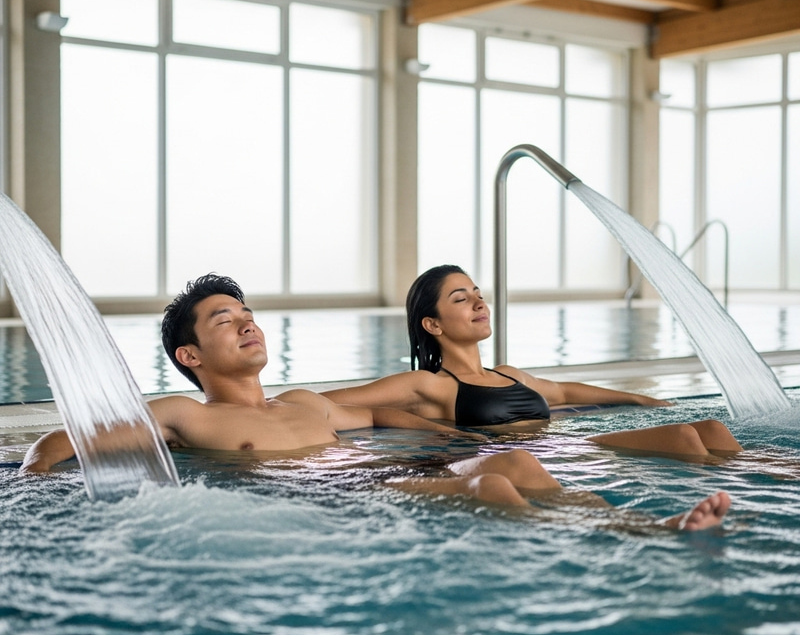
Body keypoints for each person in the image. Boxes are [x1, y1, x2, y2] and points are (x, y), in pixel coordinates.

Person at [20, 274, 730, 531]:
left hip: (369, 480)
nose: (245, 322)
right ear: (191, 357)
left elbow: (382, 417)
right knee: (495, 489)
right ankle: (603, 548)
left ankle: (649, 530)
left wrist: (457, 432)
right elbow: (58, 447)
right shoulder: (182, 412)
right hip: (327, 504)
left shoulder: (304, 401)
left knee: (516, 463)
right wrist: (32, 478)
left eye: (246, 312)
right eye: (223, 320)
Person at [323, 264, 744, 460]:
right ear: (432, 323)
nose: (478, 302)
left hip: (565, 450)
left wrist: (641, 400)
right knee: (687, 440)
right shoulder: (427, 385)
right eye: (461, 298)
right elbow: (324, 402)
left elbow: (566, 392)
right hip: (541, 460)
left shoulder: (507, 374)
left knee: (710, 428)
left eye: (477, 293)